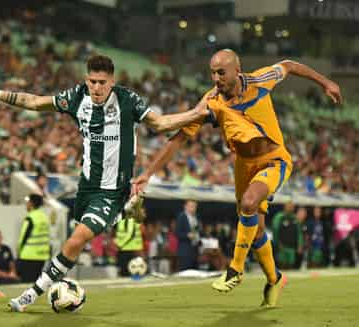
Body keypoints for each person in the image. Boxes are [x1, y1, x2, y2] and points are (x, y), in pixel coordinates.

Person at [0, 54, 212, 312]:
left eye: (102, 82)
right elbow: (35, 102)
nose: (96, 88)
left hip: (112, 190)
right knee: (74, 245)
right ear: (86, 79)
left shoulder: (127, 100)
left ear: (112, 81)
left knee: (76, 239)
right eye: (92, 81)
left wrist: (197, 114)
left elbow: (161, 123)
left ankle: (30, 294)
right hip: (86, 188)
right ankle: (122, 215)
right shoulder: (77, 97)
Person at [133, 49, 342, 307]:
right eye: (212, 72)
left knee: (249, 202)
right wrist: (147, 173)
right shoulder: (211, 101)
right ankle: (274, 279)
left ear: (237, 69)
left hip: (274, 159)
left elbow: (288, 65)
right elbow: (179, 139)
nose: (216, 78)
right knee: (255, 231)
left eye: (221, 72)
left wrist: (326, 82)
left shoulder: (260, 80)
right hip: (243, 166)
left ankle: (236, 269)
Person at [17, 193, 50, 283]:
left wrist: (19, 253)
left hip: (28, 256)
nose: (26, 204)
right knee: (36, 284)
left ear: (31, 204)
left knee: (26, 284)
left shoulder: (30, 217)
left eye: (27, 202)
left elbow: (22, 238)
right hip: (42, 256)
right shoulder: (44, 217)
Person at [175, 200, 200, 271]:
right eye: (191, 206)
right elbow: (177, 233)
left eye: (195, 207)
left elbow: (197, 231)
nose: (193, 208)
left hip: (194, 249)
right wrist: (187, 235)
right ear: (186, 207)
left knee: (194, 271)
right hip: (185, 250)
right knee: (185, 271)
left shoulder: (196, 217)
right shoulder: (181, 217)